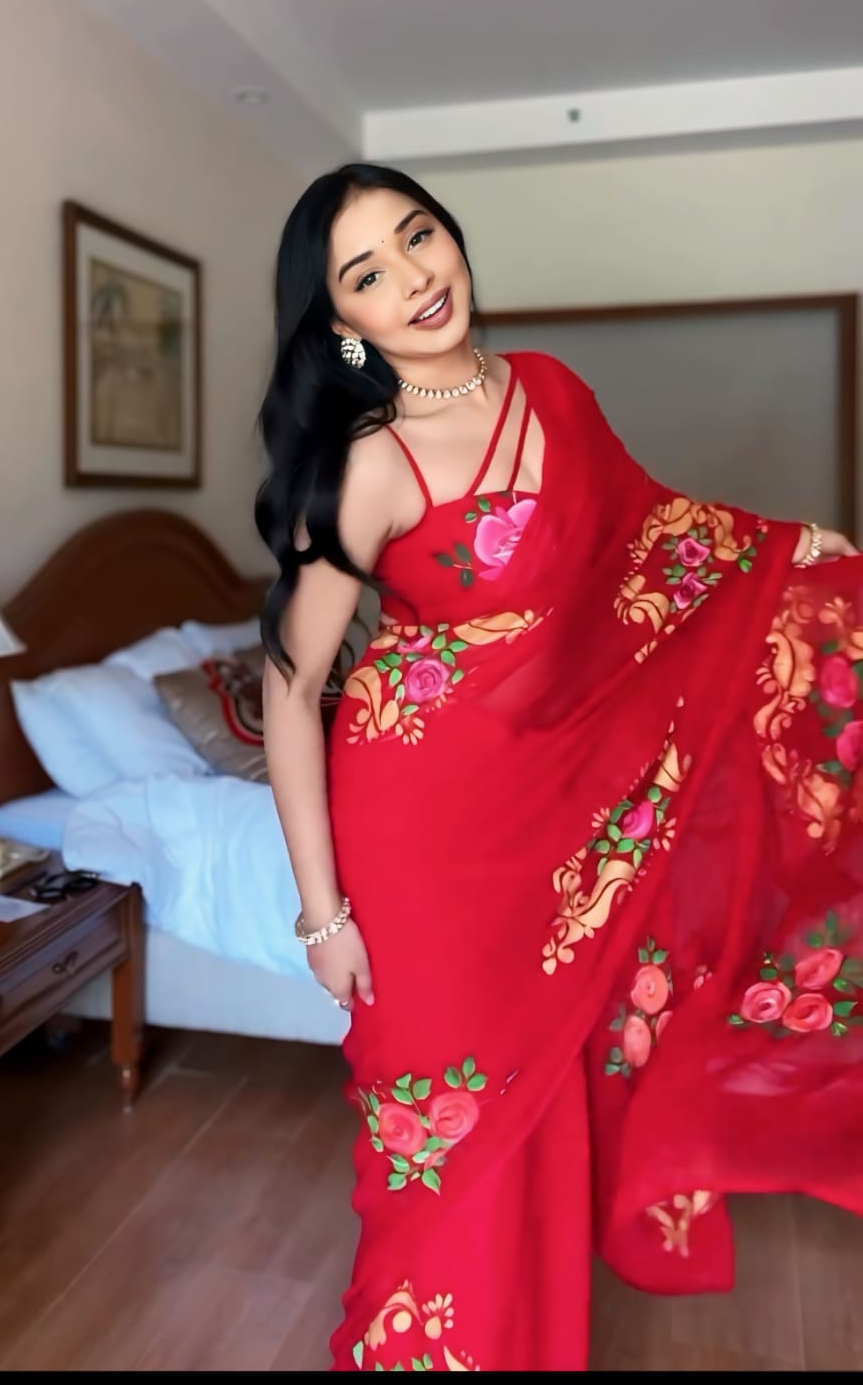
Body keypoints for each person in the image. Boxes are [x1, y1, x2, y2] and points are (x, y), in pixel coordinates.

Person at [255, 162, 863, 1373]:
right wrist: (321, 915)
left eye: (417, 236)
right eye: (367, 273)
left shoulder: (551, 389)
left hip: (556, 807)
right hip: (419, 836)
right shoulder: (367, 464)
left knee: (544, 1108)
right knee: (438, 1140)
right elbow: (288, 687)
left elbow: (656, 548)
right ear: (341, 322)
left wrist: (797, 559)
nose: (413, 277)